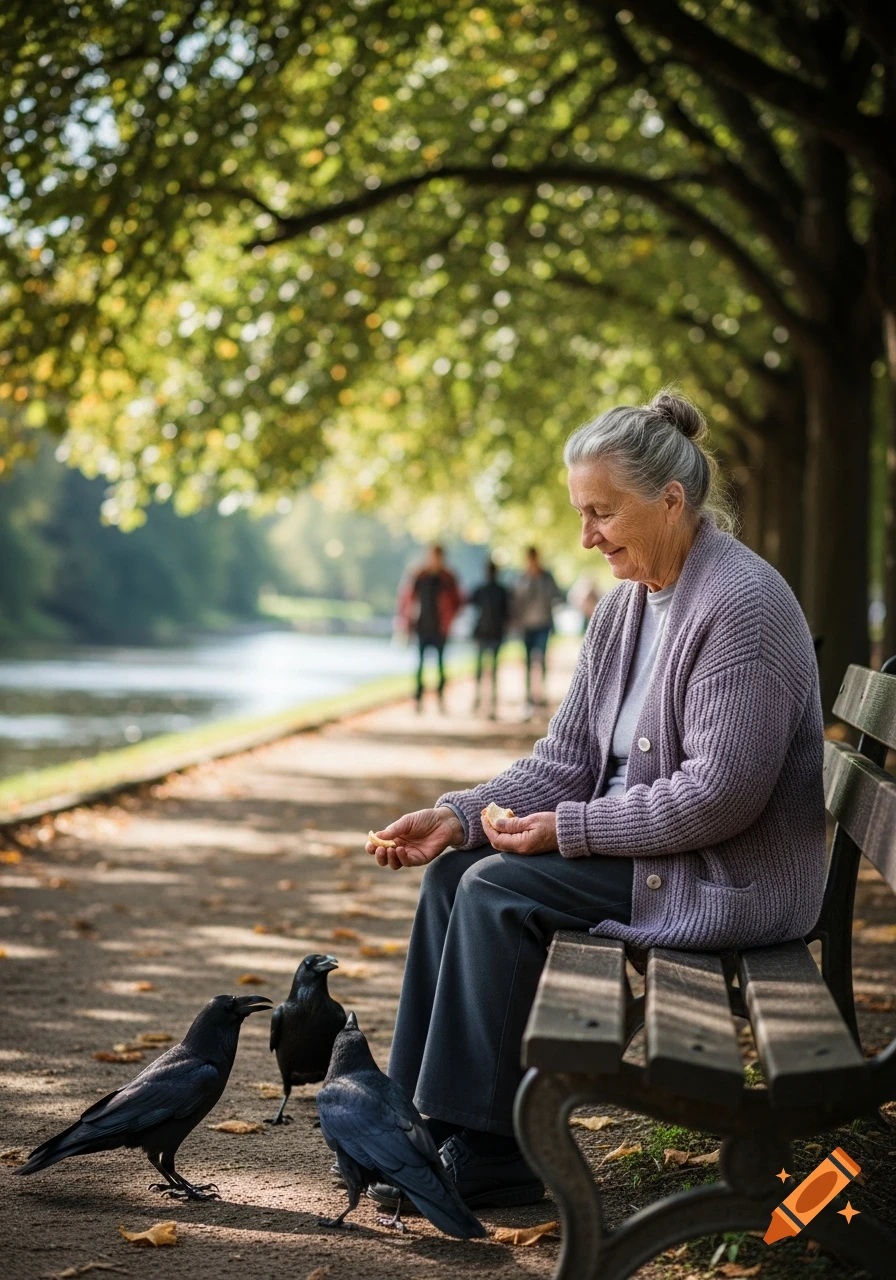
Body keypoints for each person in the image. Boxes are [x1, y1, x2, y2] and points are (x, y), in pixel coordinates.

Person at [365, 390, 825, 1211]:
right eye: (581, 514)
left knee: (497, 889)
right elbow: (567, 758)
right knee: (453, 871)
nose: (586, 537)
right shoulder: (623, 609)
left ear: (671, 501)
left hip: (719, 872)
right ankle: (409, 1127)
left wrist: (570, 831)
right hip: (650, 851)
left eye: (603, 514)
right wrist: (460, 814)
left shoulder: (740, 605)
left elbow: (722, 795)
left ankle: (492, 1149)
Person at [397, 545, 463, 711]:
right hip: (422, 627)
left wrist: (449, 620)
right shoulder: (420, 576)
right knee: (420, 666)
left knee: (441, 666)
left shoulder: (447, 578)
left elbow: (458, 601)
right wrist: (405, 623)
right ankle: (418, 700)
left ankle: (440, 699)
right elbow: (407, 599)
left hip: (440, 629)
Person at [512, 547, 564, 716]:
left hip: (543, 624)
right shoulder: (522, 578)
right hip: (526, 626)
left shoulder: (546, 577)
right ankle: (528, 696)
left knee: (540, 660)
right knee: (527, 662)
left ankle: (540, 694)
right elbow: (516, 600)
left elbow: (556, 596)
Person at [469, 559, 510, 719]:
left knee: (483, 670)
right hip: (490, 634)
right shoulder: (500, 591)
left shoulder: (483, 590)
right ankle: (486, 702)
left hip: (487, 633)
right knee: (489, 670)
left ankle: (483, 701)